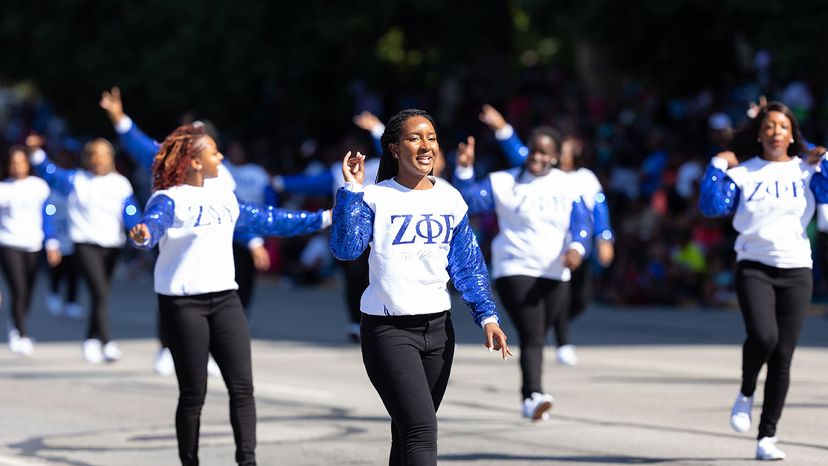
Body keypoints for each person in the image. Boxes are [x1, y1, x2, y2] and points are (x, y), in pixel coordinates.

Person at [128, 123, 330, 466]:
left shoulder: (223, 196)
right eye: (213, 151)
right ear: (193, 160)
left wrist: (323, 218)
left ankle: (247, 461)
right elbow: (154, 222)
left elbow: (268, 218)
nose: (220, 156)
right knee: (194, 394)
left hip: (225, 299)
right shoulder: (169, 198)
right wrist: (144, 234)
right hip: (182, 304)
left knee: (242, 388)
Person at [330, 109, 511, 466]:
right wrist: (351, 190)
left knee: (407, 434)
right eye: (415, 138)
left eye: (431, 137)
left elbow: (467, 263)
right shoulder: (374, 197)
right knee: (421, 431)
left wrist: (487, 315)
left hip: (438, 332)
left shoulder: (450, 198)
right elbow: (346, 248)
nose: (426, 145)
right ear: (395, 150)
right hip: (388, 331)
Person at [699, 101, 828, 461]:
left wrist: (826, 157)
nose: (776, 132)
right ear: (759, 133)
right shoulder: (743, 173)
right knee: (764, 337)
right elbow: (712, 207)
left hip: (797, 269)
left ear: (792, 135)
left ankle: (767, 437)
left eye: (783, 127)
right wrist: (717, 164)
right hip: (754, 265)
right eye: (769, 126)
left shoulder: (807, 171)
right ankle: (745, 391)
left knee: (783, 356)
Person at [99, 86, 259, 375]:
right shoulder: (173, 162)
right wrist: (119, 117)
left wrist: (254, 240)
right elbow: (139, 145)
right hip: (178, 243)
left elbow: (241, 213)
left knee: (214, 301)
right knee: (173, 296)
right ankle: (164, 348)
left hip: (211, 249)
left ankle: (207, 351)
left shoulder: (224, 176)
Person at [453, 125, 591, 421]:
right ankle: (532, 396)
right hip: (514, 267)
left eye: (544, 152)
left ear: (555, 157)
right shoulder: (504, 181)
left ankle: (531, 395)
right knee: (533, 333)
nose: (536, 157)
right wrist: (464, 170)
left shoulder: (568, 186)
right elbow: (469, 201)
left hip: (555, 271)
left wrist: (577, 247)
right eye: (532, 149)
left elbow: (582, 222)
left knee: (539, 334)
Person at [478, 103, 613, 366]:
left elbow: (598, 207)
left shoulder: (584, 178)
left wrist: (604, 236)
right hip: (544, 254)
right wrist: (503, 129)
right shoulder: (537, 174)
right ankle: (563, 342)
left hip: (577, 247)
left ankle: (547, 328)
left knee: (581, 298)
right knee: (550, 303)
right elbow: (521, 154)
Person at [27, 135, 141, 364]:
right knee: (99, 292)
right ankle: (106, 342)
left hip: (112, 245)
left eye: (103, 156)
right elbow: (51, 173)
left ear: (110, 158)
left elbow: (130, 212)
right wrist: (35, 152)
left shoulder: (121, 183)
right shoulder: (76, 180)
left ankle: (90, 339)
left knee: (102, 295)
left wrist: (137, 230)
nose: (98, 161)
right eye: (94, 156)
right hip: (84, 243)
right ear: (88, 159)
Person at [0, 145, 61, 356]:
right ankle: (22, 333)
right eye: (13, 163)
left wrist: (52, 243)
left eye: (21, 162)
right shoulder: (3, 189)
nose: (17, 166)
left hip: (33, 243)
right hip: (8, 243)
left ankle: (15, 323)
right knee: (18, 288)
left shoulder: (39, 186)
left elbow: (48, 215)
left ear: (27, 164)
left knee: (27, 291)